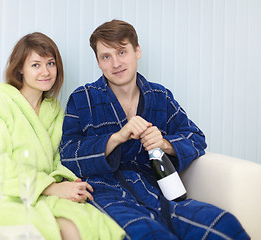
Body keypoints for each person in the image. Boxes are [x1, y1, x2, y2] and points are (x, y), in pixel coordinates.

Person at [60, 20, 250, 240]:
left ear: (137, 51)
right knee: (147, 233)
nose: (116, 63)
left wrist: (164, 144)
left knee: (223, 224)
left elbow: (196, 138)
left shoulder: (160, 96)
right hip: (107, 193)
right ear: (98, 62)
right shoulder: (82, 98)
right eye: (106, 57)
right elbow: (67, 154)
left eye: (122, 52)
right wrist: (116, 138)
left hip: (160, 191)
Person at [0, 32, 125, 240]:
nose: (46, 72)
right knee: (60, 230)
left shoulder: (54, 111)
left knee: (92, 222)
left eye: (50, 63)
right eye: (35, 65)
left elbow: (57, 160)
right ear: (20, 68)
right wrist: (50, 187)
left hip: (38, 195)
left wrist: (69, 182)